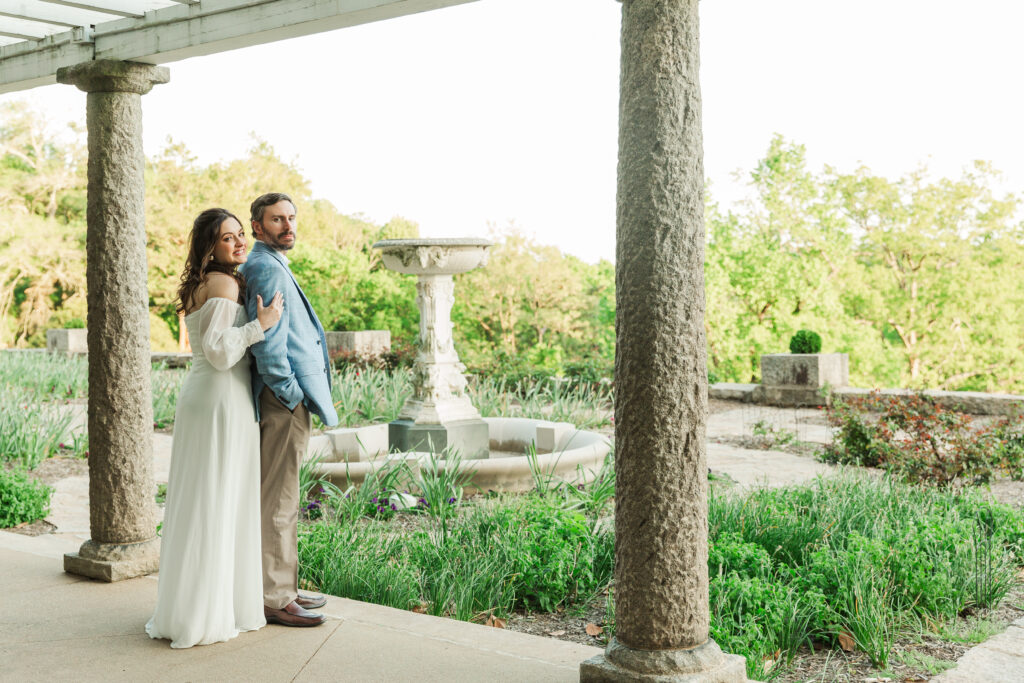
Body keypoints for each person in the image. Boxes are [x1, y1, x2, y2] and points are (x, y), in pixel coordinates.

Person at [146, 208, 284, 648]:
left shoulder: (200, 283)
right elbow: (221, 352)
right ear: (210, 245)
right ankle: (207, 613)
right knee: (218, 500)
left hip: (202, 397)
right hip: (222, 398)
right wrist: (260, 326)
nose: (240, 243)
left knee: (201, 502)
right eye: (229, 238)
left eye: (241, 234)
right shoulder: (224, 284)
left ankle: (190, 608)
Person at [240, 192, 339, 627]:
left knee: (283, 497)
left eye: (291, 217)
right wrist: (289, 392)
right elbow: (270, 342)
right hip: (282, 402)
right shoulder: (263, 267)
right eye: (277, 219)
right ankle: (274, 598)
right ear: (257, 227)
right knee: (278, 499)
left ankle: (283, 586)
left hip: (285, 399)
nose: (287, 225)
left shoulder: (272, 263)